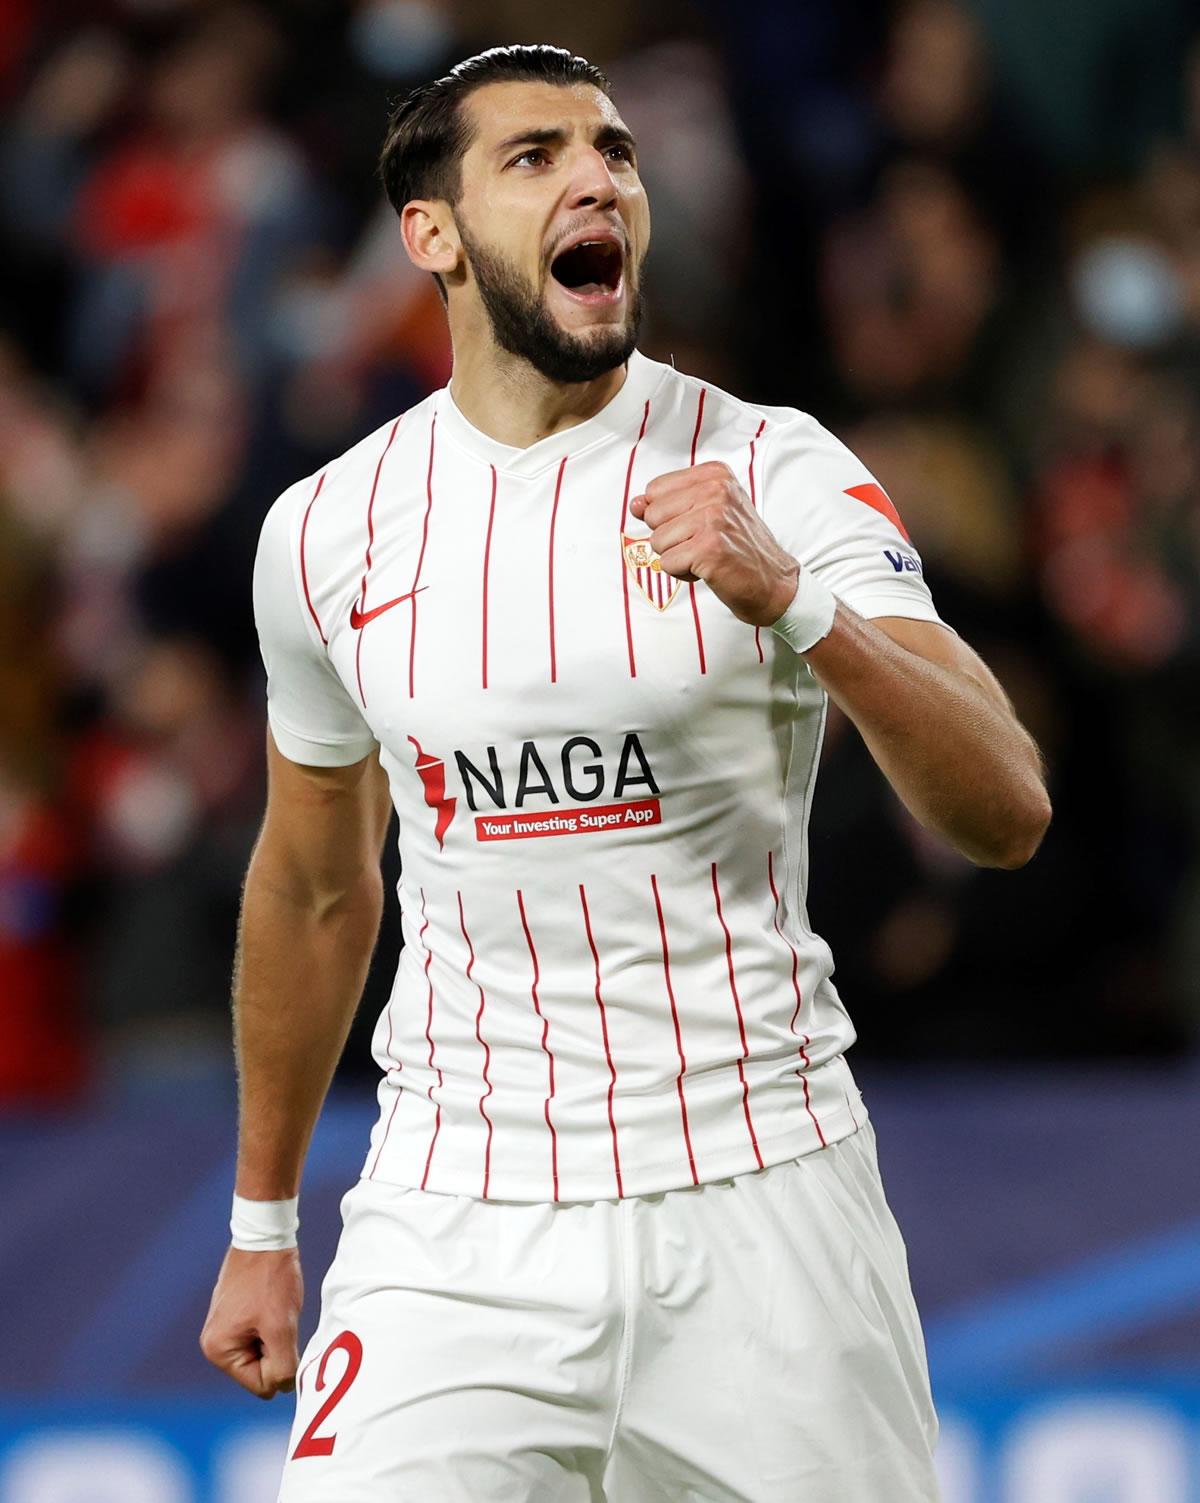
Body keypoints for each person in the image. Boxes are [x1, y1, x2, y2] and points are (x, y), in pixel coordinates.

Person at [200, 44, 1050, 1503]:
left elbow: (1007, 809)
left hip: (763, 1196)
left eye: (615, 153)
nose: (598, 179)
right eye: (535, 156)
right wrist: (261, 1224)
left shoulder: (775, 467)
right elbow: (316, 887)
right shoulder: (327, 531)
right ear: (432, 235)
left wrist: (800, 604)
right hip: (453, 1216)